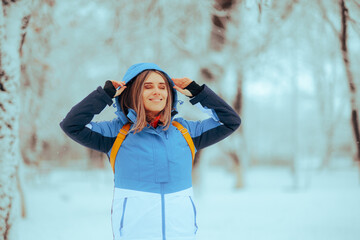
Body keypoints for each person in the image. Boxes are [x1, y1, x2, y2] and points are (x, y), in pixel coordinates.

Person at [60, 62, 241, 240]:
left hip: (181, 233)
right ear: (132, 93)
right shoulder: (116, 134)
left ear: (169, 94)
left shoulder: (187, 132)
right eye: (148, 86)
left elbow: (230, 121)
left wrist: (198, 93)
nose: (157, 91)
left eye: (162, 87)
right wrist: (104, 96)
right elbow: (72, 125)